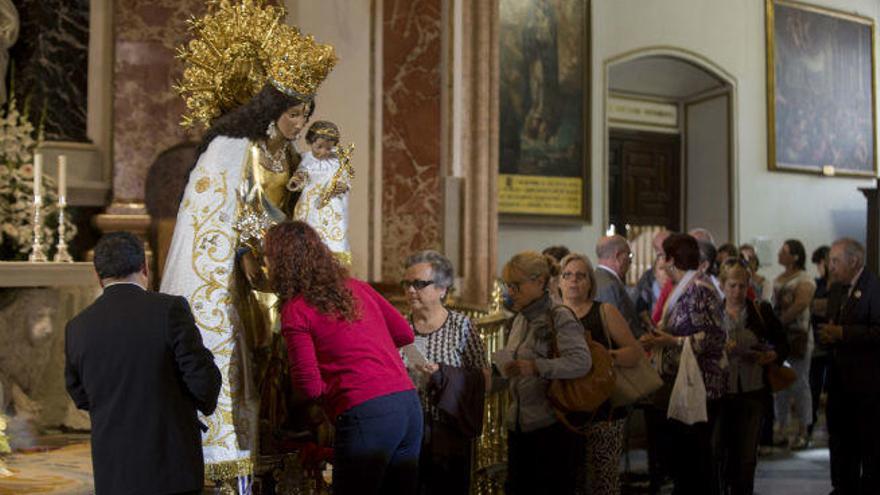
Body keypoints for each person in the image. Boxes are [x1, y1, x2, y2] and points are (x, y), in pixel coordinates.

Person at [161, 1, 337, 484]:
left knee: (282, 366)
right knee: (246, 361)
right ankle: (237, 458)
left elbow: (306, 216)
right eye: (294, 113)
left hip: (284, 275)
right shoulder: (233, 150)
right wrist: (246, 251)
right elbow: (216, 216)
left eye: (306, 115)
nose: (299, 124)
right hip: (243, 276)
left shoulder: (298, 162)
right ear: (272, 109)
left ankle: (282, 455)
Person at [266, 221, 422, 494]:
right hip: (408, 405)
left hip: (366, 412)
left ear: (282, 263)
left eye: (268, 258)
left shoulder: (297, 309)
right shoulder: (356, 287)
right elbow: (403, 333)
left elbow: (309, 386)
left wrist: (338, 386)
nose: (266, 267)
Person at [65, 232, 222, 495]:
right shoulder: (169, 310)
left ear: (97, 275)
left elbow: (79, 393)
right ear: (144, 267)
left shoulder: (77, 326)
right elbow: (203, 382)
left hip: (113, 471)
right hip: (170, 466)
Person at [498, 251, 591, 495]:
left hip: (550, 427)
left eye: (516, 285)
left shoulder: (559, 316)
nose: (510, 292)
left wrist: (537, 367)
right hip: (519, 425)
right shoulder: (521, 318)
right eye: (508, 285)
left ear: (539, 282)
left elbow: (581, 362)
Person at [640, 233, 726, 495]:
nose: (661, 263)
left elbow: (713, 338)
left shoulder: (699, 289)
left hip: (700, 386)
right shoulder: (683, 288)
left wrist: (672, 341)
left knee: (696, 460)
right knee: (683, 460)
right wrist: (658, 338)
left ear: (672, 259)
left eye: (663, 256)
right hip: (680, 383)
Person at [399, 250, 487, 495]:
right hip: (408, 429)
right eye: (407, 284)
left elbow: (485, 379)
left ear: (442, 289)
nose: (410, 290)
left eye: (419, 284)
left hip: (449, 432)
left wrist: (444, 374)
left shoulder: (462, 326)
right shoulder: (400, 327)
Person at [560, 253, 642, 495]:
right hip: (563, 410)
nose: (573, 281)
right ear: (559, 282)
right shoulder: (552, 316)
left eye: (580, 276)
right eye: (568, 275)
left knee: (603, 481)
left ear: (590, 283)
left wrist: (604, 356)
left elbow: (634, 352)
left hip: (603, 411)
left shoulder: (604, 311)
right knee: (569, 480)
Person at [717, 259, 788, 495]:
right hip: (722, 392)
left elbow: (782, 344)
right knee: (721, 450)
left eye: (741, 286)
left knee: (747, 456)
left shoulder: (760, 311)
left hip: (754, 389)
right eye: (732, 286)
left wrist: (772, 355)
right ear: (722, 285)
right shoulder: (714, 313)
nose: (737, 292)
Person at [819, 238, 880, 494]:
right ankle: (842, 486)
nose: (830, 266)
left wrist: (843, 333)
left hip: (866, 385)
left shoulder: (874, 288)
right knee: (840, 440)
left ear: (854, 261)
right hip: (839, 382)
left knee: (866, 442)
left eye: (835, 261)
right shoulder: (836, 290)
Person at [289, 120, 353, 263]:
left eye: (328, 148)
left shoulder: (337, 162)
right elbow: (301, 175)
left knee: (331, 239)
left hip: (331, 207)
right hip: (310, 206)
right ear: (311, 142)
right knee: (309, 236)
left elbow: (345, 180)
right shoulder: (306, 159)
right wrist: (297, 180)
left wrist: (343, 187)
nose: (323, 151)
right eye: (319, 147)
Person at [772, 239, 815, 449]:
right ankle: (781, 427)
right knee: (780, 384)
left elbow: (801, 303)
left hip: (798, 336)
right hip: (781, 338)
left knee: (799, 383)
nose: (780, 253)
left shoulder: (804, 279)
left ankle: (803, 429)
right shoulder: (779, 278)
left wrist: (780, 321)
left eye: (785, 251)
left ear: (795, 256)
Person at [595, 235, 644, 337]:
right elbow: (619, 328)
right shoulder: (610, 286)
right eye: (629, 255)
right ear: (618, 256)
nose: (630, 261)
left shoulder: (596, 277)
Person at [807, 245, 830, 444]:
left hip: (833, 343)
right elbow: (812, 307)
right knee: (813, 384)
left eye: (820, 264)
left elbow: (827, 308)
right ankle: (810, 423)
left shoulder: (838, 285)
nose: (819, 268)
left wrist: (819, 307)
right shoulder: (817, 284)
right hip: (817, 341)